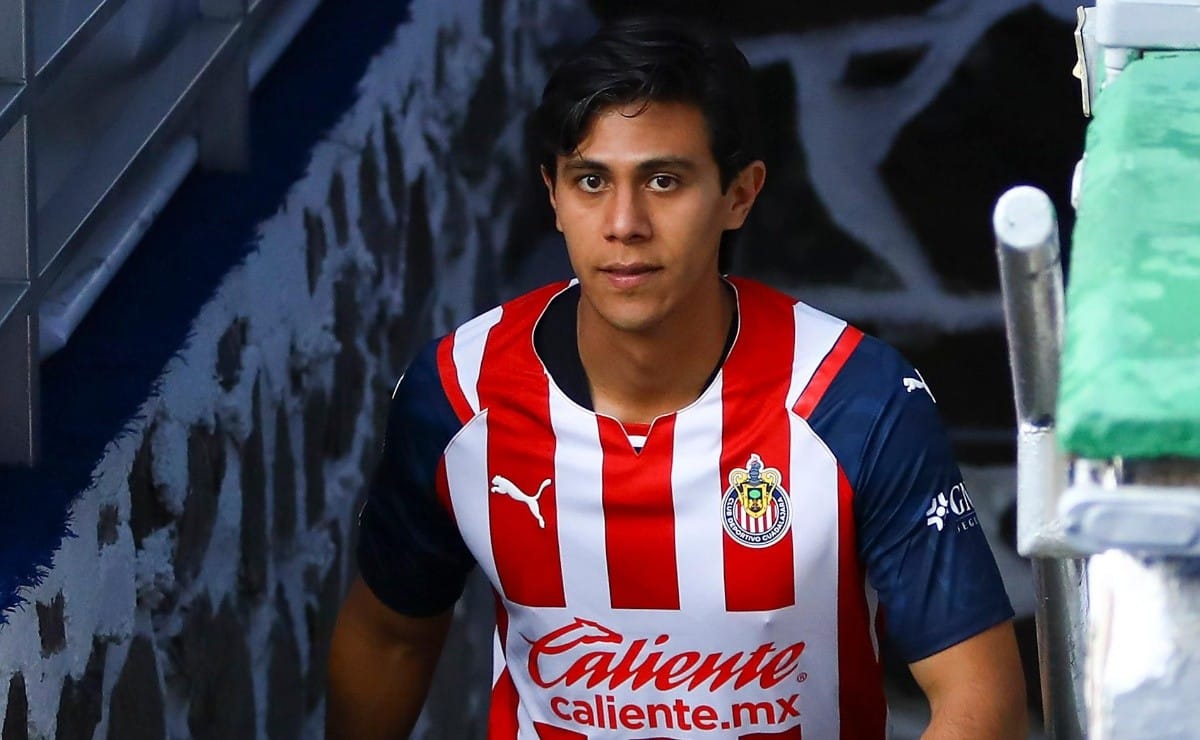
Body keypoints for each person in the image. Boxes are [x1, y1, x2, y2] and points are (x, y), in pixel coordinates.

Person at [327, 15, 1027, 740]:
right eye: (591, 180)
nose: (624, 222)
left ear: (740, 195)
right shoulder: (456, 397)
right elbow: (390, 636)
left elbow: (980, 698)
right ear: (553, 195)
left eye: (664, 180)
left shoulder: (856, 398)